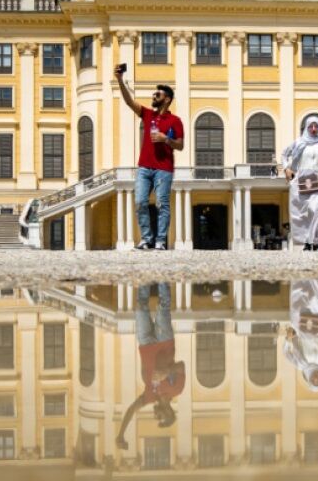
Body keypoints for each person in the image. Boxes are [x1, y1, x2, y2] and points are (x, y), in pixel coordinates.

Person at [115, 65, 184, 250]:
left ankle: (161, 240)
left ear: (167, 99)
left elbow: (181, 145)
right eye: (154, 94)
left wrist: (165, 139)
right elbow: (129, 102)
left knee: (162, 204)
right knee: (140, 202)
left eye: (158, 95)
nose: (154, 97)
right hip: (144, 167)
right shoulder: (147, 114)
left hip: (164, 168)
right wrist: (120, 80)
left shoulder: (175, 121)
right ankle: (146, 239)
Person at [116, 282, 185, 450]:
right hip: (164, 341)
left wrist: (120, 434)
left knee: (140, 305)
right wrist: (167, 371)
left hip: (145, 343)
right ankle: (162, 270)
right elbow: (182, 366)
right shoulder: (176, 390)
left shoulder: (149, 397)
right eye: (159, 417)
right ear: (168, 413)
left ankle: (146, 270)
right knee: (163, 305)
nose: (155, 416)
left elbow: (131, 410)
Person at [283, 115, 318, 251]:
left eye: (316, 126)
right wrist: (286, 168)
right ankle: (309, 242)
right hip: (305, 179)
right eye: (311, 126)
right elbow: (284, 154)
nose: (314, 129)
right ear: (306, 127)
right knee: (311, 211)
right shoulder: (299, 142)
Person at [283, 280, 318, 390]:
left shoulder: (301, 365)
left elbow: (286, 353)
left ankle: (301, 277)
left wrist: (288, 340)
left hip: (302, 326)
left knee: (300, 298)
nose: (316, 379)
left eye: (314, 381)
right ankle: (317, 276)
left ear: (310, 380)